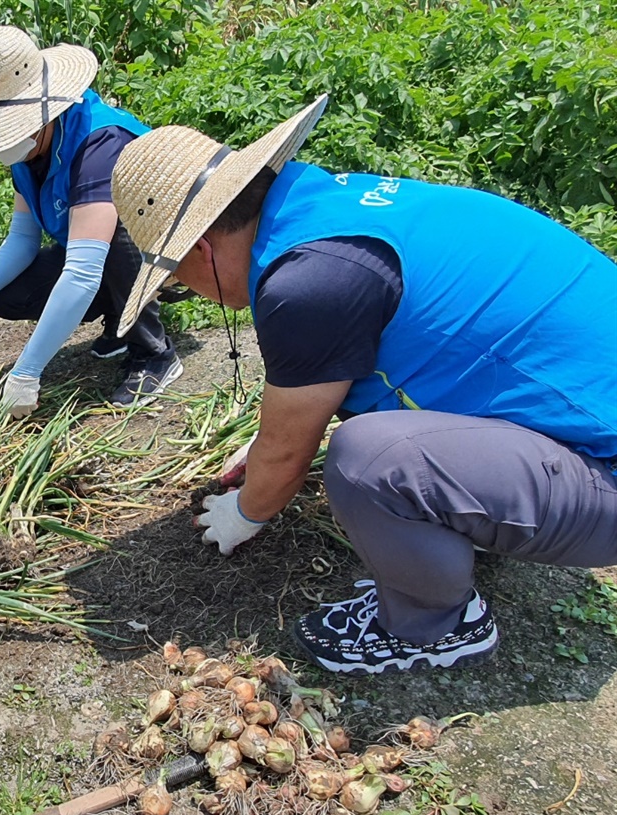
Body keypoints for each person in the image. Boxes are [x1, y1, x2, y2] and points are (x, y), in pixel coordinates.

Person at [110, 95, 617, 675]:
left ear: (200, 250)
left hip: (605, 469)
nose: (185, 288)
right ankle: (469, 518)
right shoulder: (316, 206)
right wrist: (272, 439)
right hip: (582, 414)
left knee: (366, 459)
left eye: (174, 276)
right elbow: (339, 371)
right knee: (370, 435)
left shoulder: (308, 286)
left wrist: (246, 512)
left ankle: (435, 627)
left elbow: (287, 456)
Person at [0, 26, 185, 416]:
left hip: (170, 250)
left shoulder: (97, 142)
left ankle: (153, 352)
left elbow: (84, 272)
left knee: (117, 229)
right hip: (102, 254)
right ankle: (121, 318)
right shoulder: (30, 152)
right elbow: (22, 238)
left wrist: (27, 371)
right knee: (9, 291)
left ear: (42, 111)